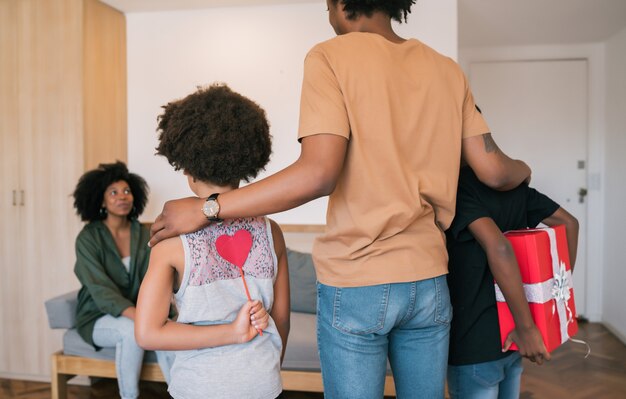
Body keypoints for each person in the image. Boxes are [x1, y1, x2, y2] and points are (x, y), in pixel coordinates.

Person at [147, 1, 531, 397]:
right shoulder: (447, 69)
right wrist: (525, 171)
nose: (328, 15)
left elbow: (318, 173)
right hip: (429, 277)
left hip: (358, 276)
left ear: (342, 4)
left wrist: (207, 207)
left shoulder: (330, 56)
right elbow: (496, 171)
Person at [134, 84, 290, 399]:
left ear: (187, 166)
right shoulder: (271, 231)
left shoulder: (170, 243)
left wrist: (231, 333)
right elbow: (282, 320)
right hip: (263, 381)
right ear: (248, 159)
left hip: (200, 386)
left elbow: (148, 332)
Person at [445, 165, 579, 399]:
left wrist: (528, 329)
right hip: (514, 336)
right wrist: (554, 296)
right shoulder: (514, 188)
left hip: (473, 342)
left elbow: (499, 246)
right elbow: (569, 224)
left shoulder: (455, 190)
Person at [72, 161, 174, 399]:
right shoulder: (88, 238)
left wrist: (159, 312)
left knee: (167, 329)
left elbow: (158, 275)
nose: (122, 197)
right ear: (101, 200)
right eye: (114, 192)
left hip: (142, 312)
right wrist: (143, 317)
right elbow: (100, 290)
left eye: (127, 191)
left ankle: (180, 394)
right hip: (97, 316)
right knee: (131, 330)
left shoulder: (143, 234)